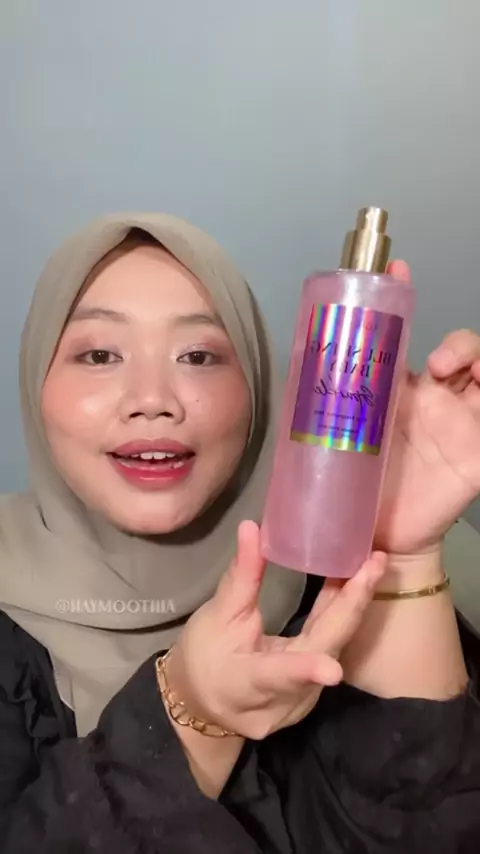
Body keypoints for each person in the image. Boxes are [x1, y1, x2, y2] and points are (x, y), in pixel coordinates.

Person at [0, 212, 479, 853]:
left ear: (258, 386)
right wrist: (192, 713)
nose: (153, 399)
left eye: (198, 356)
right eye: (100, 354)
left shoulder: (326, 583)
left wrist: (404, 550)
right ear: (35, 378)